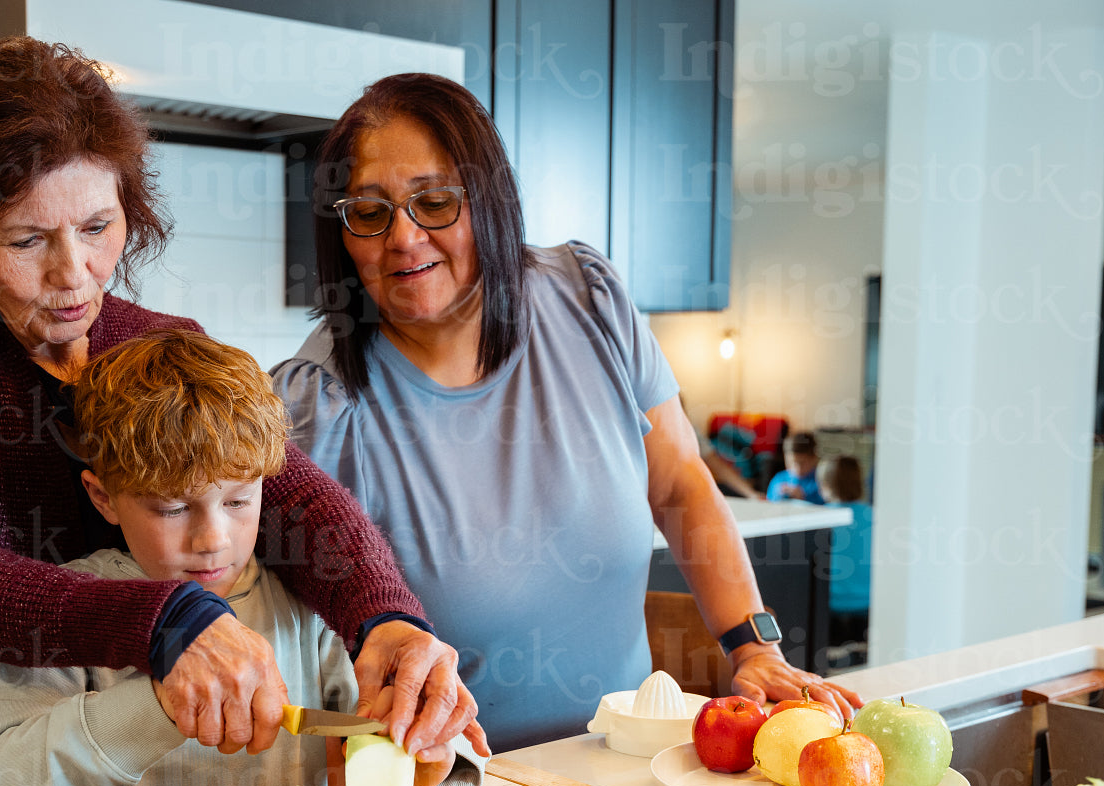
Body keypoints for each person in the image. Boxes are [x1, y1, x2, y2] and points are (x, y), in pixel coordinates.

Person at [0, 40, 481, 786]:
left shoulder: (160, 339)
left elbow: (291, 496)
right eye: (26, 239)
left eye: (98, 227)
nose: (74, 273)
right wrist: (169, 621)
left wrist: (384, 621)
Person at [270, 73, 860, 751]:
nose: (403, 237)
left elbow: (678, 484)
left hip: (633, 766)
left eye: (434, 201)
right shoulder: (320, 403)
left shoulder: (589, 299)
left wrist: (754, 649)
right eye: (370, 213)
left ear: (488, 201)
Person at [0, 332, 481, 786]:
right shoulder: (64, 614)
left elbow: (422, 749)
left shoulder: (308, 609)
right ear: (103, 497)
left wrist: (427, 755)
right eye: (173, 508)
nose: (212, 541)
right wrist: (155, 707)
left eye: (238, 501)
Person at [817, 455, 872, 651]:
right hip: (869, 608)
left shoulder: (819, 519)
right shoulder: (876, 516)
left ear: (825, 485)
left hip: (830, 610)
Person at [766, 432, 825, 504]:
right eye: (791, 462)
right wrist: (778, 496)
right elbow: (769, 501)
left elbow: (827, 504)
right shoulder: (779, 479)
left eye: (802, 463)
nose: (797, 468)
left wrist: (804, 497)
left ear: (814, 458)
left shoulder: (821, 480)